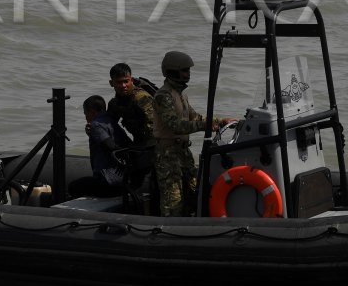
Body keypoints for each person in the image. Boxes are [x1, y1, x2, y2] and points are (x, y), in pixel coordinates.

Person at [150, 50, 232, 216]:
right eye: (184, 70)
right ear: (173, 71)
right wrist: (205, 125)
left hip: (182, 152)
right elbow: (175, 125)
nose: (188, 73)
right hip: (167, 154)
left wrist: (219, 122)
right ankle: (169, 230)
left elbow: (195, 117)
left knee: (196, 190)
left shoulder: (180, 94)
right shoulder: (163, 96)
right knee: (173, 200)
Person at [69, 95, 133, 197]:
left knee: (72, 187)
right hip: (123, 180)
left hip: (108, 183)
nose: (86, 118)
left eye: (86, 114)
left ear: (92, 112)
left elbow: (109, 145)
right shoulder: (111, 121)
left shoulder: (96, 125)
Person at [106, 62, 155, 148]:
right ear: (111, 83)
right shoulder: (115, 103)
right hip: (138, 142)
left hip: (154, 143)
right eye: (119, 82)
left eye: (126, 81)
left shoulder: (142, 98)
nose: (123, 85)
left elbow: (155, 127)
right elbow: (108, 125)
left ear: (131, 80)